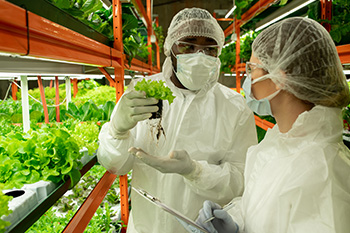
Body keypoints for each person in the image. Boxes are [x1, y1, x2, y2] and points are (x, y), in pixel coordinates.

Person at [97, 7, 257, 233]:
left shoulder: (234, 107)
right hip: (145, 227)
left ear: (218, 52)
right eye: (188, 46)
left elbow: (241, 181)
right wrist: (117, 131)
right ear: (170, 48)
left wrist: (195, 171)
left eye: (209, 49)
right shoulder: (142, 93)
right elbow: (116, 165)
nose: (199, 56)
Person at [196, 17, 350, 233]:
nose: (247, 79)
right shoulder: (281, 140)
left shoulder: (322, 171)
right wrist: (237, 221)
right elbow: (263, 206)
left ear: (280, 78)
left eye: (252, 69)